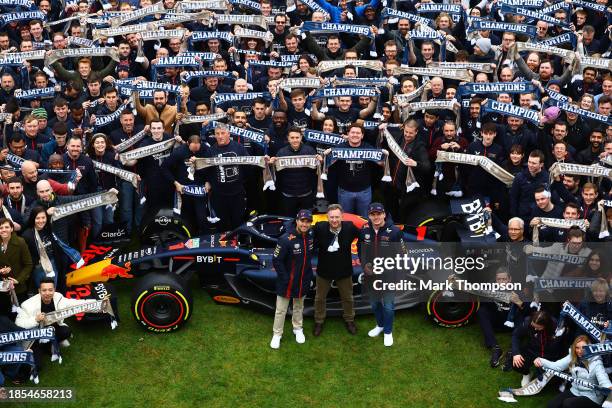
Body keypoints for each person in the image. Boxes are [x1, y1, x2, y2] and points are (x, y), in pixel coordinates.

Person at [358, 203, 405, 347]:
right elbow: (361, 251)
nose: (376, 217)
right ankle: (380, 325)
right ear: (369, 216)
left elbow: (402, 255)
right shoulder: (364, 230)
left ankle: (388, 332)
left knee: (389, 306)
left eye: (379, 214)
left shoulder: (395, 231)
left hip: (389, 276)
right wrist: (365, 265)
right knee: (374, 304)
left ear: (384, 214)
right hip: (371, 277)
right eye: (373, 214)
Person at [312, 204, 360, 336]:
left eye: (337, 217)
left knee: (348, 298)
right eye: (331, 217)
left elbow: (364, 235)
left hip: (344, 270)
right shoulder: (320, 227)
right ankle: (319, 321)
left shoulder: (349, 227)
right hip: (324, 270)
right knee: (320, 298)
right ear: (327, 217)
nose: (334, 220)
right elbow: (303, 231)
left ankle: (349, 320)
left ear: (342, 217)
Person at [270, 209, 314, 349]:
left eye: (308, 222)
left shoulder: (310, 236)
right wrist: (286, 278)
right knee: (281, 310)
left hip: (303, 280)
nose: (305, 224)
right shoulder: (285, 239)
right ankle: (277, 334)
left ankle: (297, 328)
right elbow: (276, 260)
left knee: (299, 307)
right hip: (287, 282)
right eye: (302, 221)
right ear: (297, 221)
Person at [534, 335, 612, 408]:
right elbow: (557, 366)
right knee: (551, 405)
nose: (579, 351)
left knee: (568, 404)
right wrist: (540, 360)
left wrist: (609, 387)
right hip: (575, 391)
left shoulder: (596, 362)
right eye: (577, 348)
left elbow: (603, 379)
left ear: (590, 348)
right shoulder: (572, 356)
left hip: (592, 397)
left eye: (583, 348)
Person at [0, 218, 32, 310]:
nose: (4, 230)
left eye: (6, 227)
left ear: (12, 229)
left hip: (18, 286)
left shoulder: (20, 242)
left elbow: (28, 264)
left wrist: (18, 280)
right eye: (1, 228)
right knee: (6, 312)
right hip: (2, 286)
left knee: (20, 312)